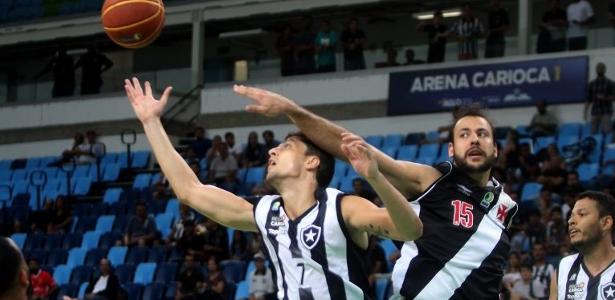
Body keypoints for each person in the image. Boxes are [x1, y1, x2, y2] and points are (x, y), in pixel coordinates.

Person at [124, 77, 423, 299]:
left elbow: (410, 231)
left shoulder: (342, 207)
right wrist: (151, 122)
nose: (272, 152)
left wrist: (376, 178)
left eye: (286, 146)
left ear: (312, 162)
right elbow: (190, 191)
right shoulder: (266, 212)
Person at [234, 85, 519, 299]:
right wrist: (291, 110)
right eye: (464, 134)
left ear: (495, 148)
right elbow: (352, 148)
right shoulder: (431, 181)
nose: (474, 140)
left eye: (482, 134)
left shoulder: (505, 208)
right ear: (451, 149)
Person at [549, 191, 615, 300]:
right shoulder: (564, 267)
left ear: (606, 222)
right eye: (571, 216)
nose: (570, 221)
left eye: (582, 214)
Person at [585, 63, 615, 134]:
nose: (600, 69)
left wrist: (605, 98)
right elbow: (588, 99)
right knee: (593, 133)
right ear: (596, 70)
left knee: (607, 133)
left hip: (606, 112)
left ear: (605, 70)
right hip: (595, 111)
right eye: (598, 68)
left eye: (601, 68)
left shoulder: (610, 83)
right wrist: (585, 111)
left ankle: (607, 145)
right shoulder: (591, 84)